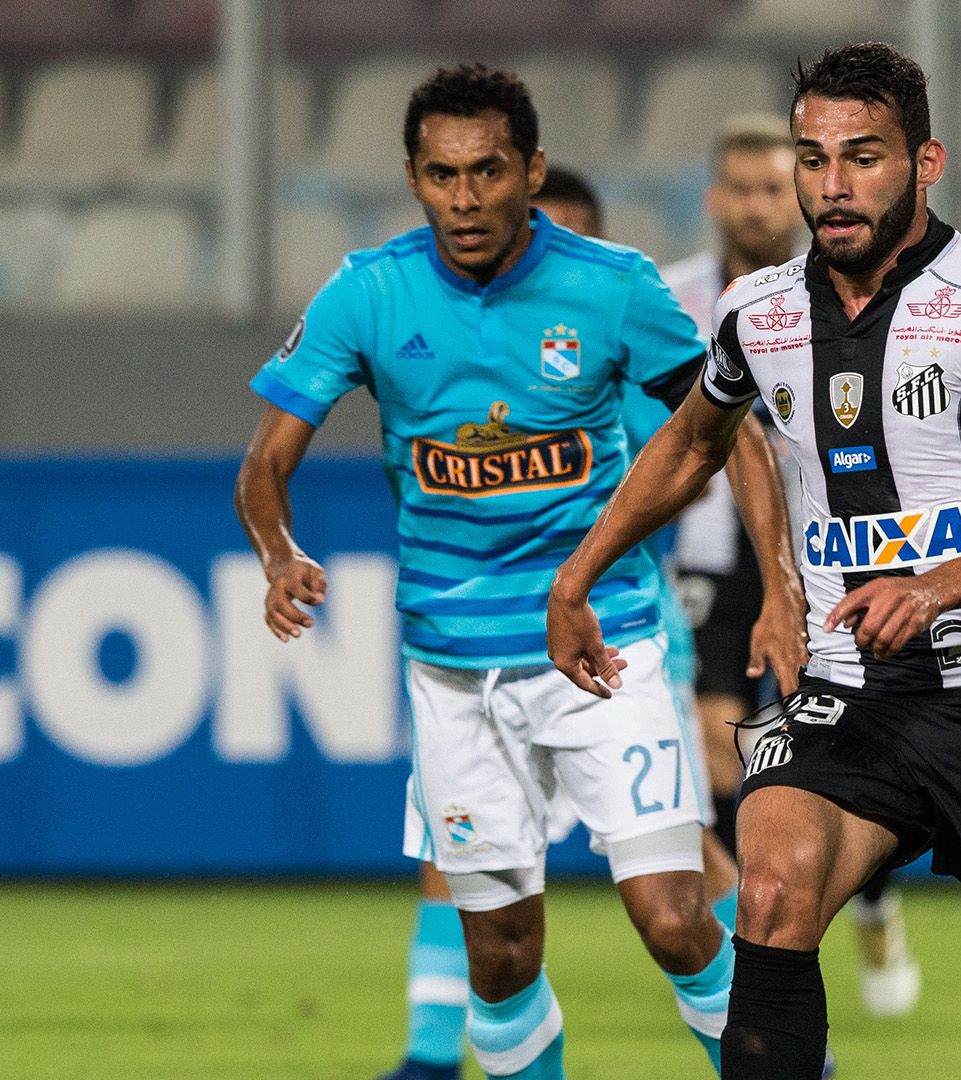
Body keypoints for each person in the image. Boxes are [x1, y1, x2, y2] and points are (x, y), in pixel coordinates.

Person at [546, 41, 961, 1080]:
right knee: (770, 884)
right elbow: (695, 442)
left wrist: (935, 588)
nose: (831, 186)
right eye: (813, 157)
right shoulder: (759, 311)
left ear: (924, 164)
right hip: (852, 694)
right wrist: (577, 575)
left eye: (863, 156)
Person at [234, 65, 807, 1080]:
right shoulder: (367, 292)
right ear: (413, 177)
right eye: (441, 174)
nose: (464, 197)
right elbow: (265, 463)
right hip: (455, 670)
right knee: (498, 958)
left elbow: (735, 434)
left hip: (606, 649)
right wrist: (279, 554)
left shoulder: (613, 286)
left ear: (531, 171)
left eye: (487, 170)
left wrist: (782, 590)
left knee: (675, 918)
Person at [371, 164, 729, 1080]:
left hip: (618, 628)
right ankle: (424, 1051)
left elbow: (712, 443)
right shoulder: (467, 343)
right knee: (462, 869)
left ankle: (774, 1040)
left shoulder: (623, 340)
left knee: (685, 884)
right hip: (483, 641)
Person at [661, 111, 921, 1020]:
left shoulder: (842, 293)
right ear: (714, 198)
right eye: (744, 187)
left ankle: (874, 898)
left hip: (823, 557)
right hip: (710, 555)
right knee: (720, 748)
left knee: (837, 742)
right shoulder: (675, 297)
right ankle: (759, 952)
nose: (760, 204)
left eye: (777, 186)